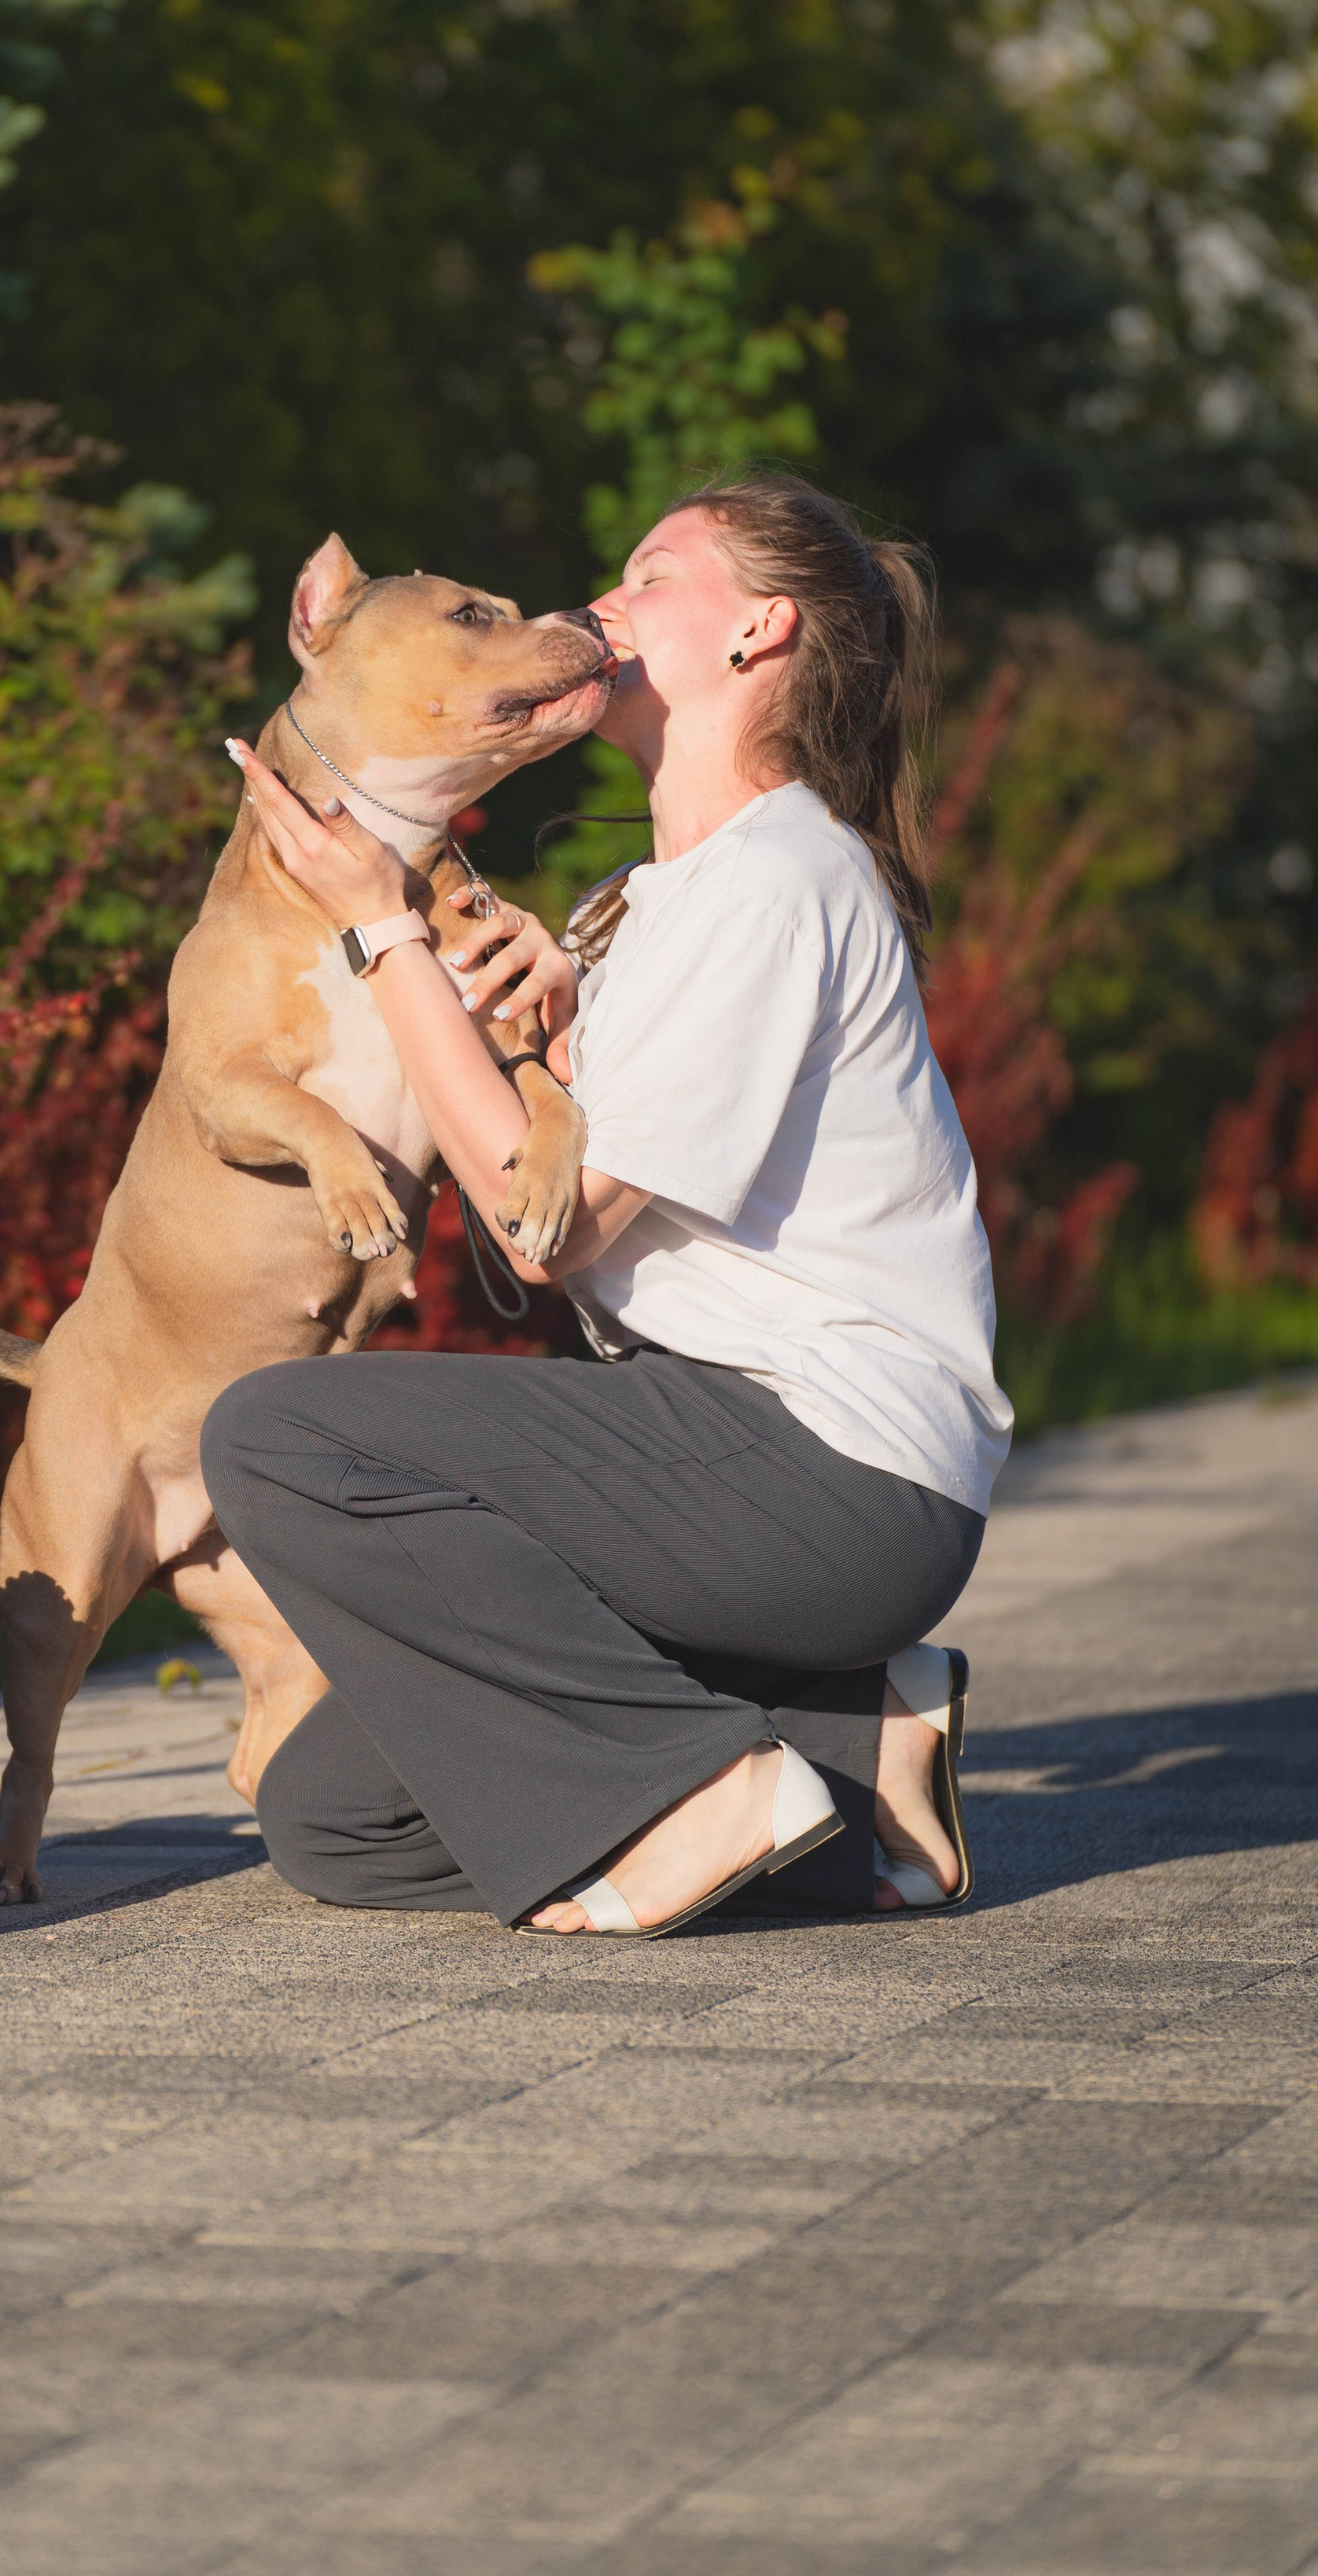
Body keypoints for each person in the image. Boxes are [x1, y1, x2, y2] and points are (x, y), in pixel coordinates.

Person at [200, 474, 1012, 1937]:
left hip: (830, 1472)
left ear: (761, 630)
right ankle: (853, 1750)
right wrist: (550, 1022)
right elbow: (547, 1196)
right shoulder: (648, 903)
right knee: (335, 1817)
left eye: (650, 577)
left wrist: (381, 923)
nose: (599, 605)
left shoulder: (776, 874)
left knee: (279, 1435)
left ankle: (694, 1796)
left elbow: (550, 1228)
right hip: (721, 1453)